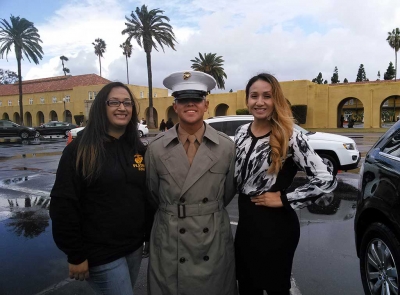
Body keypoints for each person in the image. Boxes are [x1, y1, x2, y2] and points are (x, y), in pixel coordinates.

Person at [234, 73, 337, 295]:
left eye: (267, 96)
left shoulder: (290, 136)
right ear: (247, 100)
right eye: (254, 96)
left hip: (277, 228)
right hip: (246, 226)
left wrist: (284, 199)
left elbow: (325, 179)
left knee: (275, 288)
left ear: (276, 100)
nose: (259, 102)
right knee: (246, 285)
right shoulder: (241, 133)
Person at [50, 82, 152, 295]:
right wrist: (75, 255)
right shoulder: (79, 150)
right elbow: (63, 203)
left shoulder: (137, 148)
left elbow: (145, 196)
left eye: (127, 103)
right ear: (101, 107)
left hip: (133, 247)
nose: (121, 108)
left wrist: (149, 235)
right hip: (100, 253)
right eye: (113, 102)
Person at [145, 70, 237, 295]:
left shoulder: (226, 147)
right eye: (183, 100)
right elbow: (152, 193)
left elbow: (228, 193)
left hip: (212, 238)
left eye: (196, 99)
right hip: (170, 239)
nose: (190, 105)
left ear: (206, 104)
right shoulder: (155, 148)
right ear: (175, 106)